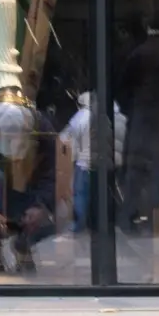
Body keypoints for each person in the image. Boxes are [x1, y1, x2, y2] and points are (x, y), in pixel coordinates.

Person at [59, 92, 94, 234]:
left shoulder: (80, 116)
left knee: (80, 194)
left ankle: (79, 224)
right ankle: (92, 223)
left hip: (82, 162)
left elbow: (65, 137)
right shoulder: (100, 115)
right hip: (97, 163)